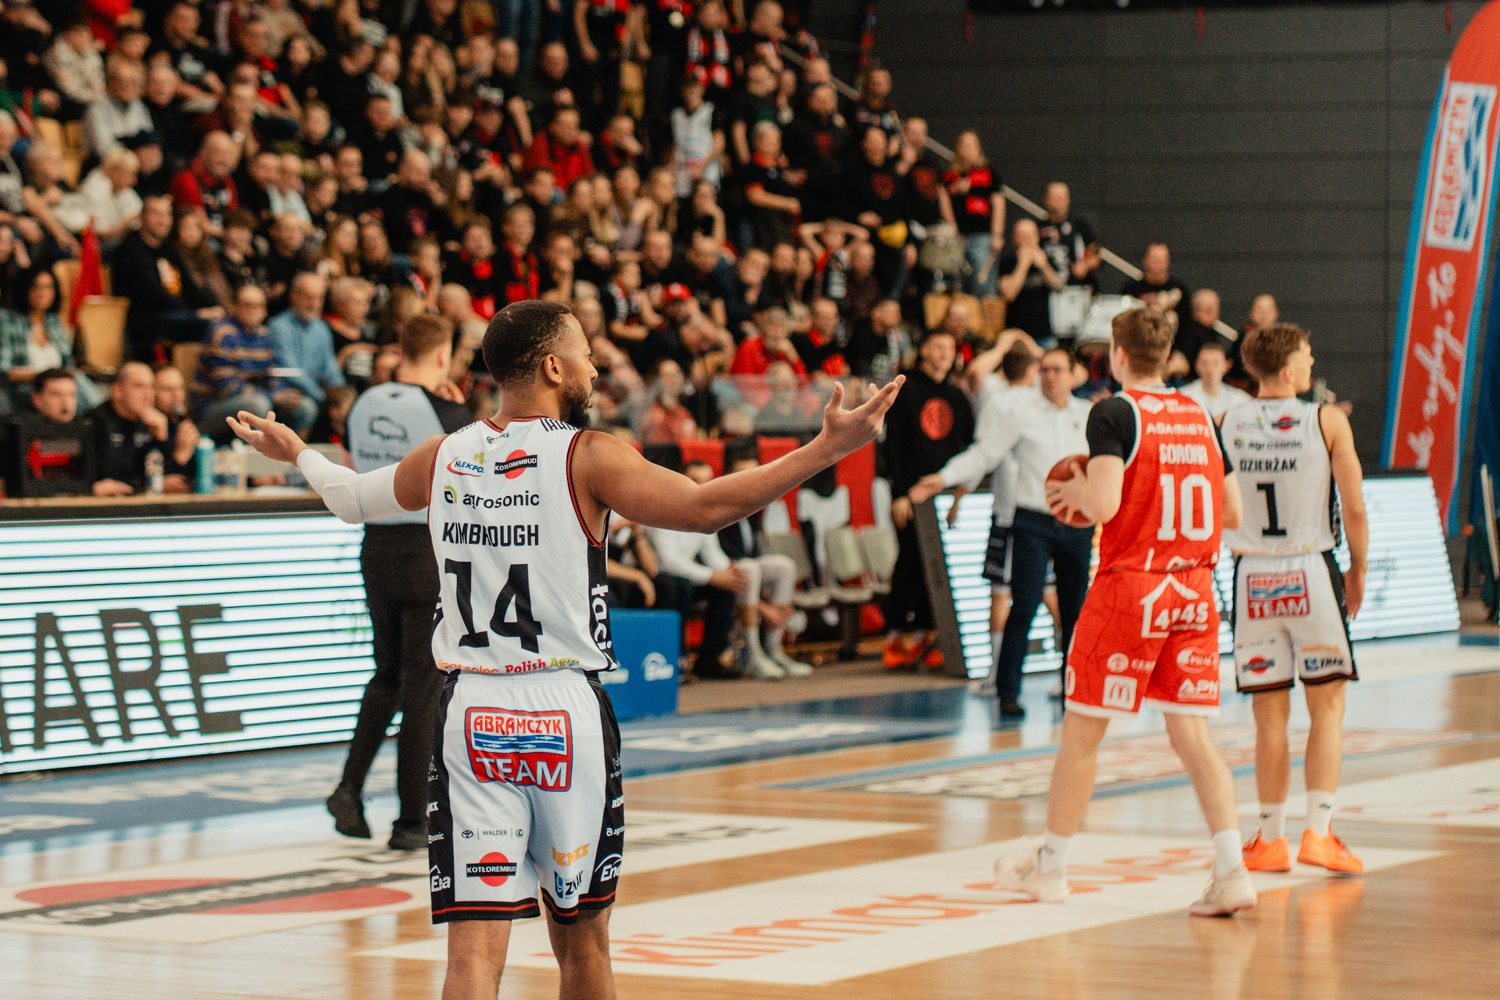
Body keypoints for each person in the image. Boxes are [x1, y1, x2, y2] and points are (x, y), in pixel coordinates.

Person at [227, 299, 902, 1000]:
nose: (594, 367)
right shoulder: (590, 454)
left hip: (472, 711)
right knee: (582, 943)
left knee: (471, 956)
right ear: (553, 367)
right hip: (561, 709)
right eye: (584, 352)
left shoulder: (444, 453)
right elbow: (707, 509)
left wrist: (297, 452)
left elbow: (349, 498)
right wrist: (826, 449)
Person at [993, 306, 1255, 917]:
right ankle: (1232, 871)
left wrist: (1073, 493)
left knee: (1081, 736)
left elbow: (1105, 506)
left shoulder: (1113, 412)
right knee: (1193, 737)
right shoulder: (1202, 415)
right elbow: (1233, 513)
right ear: (1166, 354)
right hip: (1194, 590)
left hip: (1131, 587)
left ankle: (1050, 870)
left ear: (1116, 353)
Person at [1222, 322, 1368, 876]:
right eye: (1307, 355)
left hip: (1251, 574)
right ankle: (1319, 834)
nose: (1312, 362)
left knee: (1268, 716)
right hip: (1310, 568)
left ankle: (1269, 839)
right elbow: (1354, 506)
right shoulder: (1325, 419)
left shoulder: (1225, 421)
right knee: (1327, 708)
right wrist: (1358, 568)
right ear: (1287, 370)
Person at [326, 314, 473, 851]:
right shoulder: (448, 412)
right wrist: (458, 411)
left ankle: (349, 789)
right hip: (425, 549)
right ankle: (412, 820)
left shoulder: (363, 402)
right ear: (443, 355)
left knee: (387, 673)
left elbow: (349, 469)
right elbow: (468, 479)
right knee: (424, 685)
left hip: (376, 546)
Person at [910, 347, 1091, 717]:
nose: (1049, 376)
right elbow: (985, 453)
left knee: (1076, 611)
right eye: (1044, 370)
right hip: (1032, 522)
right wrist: (944, 477)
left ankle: (1075, 691)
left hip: (1077, 523)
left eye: (1057, 370)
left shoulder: (1088, 415)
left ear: (1074, 375)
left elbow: (1112, 465)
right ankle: (1007, 691)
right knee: (1023, 605)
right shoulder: (1021, 413)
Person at [881, 326, 974, 669]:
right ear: (923, 351)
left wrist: (961, 495)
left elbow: (968, 450)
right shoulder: (906, 391)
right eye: (938, 347)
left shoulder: (958, 397)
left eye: (950, 347)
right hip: (911, 495)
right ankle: (894, 637)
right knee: (908, 563)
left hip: (945, 496)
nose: (945, 353)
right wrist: (899, 494)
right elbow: (893, 447)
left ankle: (926, 636)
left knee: (937, 567)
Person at [267, 271, 345, 435]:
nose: (314, 304)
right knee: (308, 407)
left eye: (319, 298)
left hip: (314, 393)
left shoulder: (321, 328)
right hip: (285, 392)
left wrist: (341, 395)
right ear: (294, 297)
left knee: (345, 405)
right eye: (309, 298)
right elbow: (291, 372)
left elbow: (330, 368)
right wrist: (323, 397)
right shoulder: (279, 326)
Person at [89, 361, 170, 496]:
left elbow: (165, 477)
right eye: (139, 386)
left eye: (151, 386)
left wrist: (162, 439)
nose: (148, 394)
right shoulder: (95, 422)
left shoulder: (156, 422)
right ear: (117, 391)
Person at [1181, 340, 1250, 423]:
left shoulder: (1241, 401)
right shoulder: (1183, 396)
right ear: (1197, 365)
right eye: (1205, 363)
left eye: (1216, 363)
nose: (1210, 369)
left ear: (1226, 366)